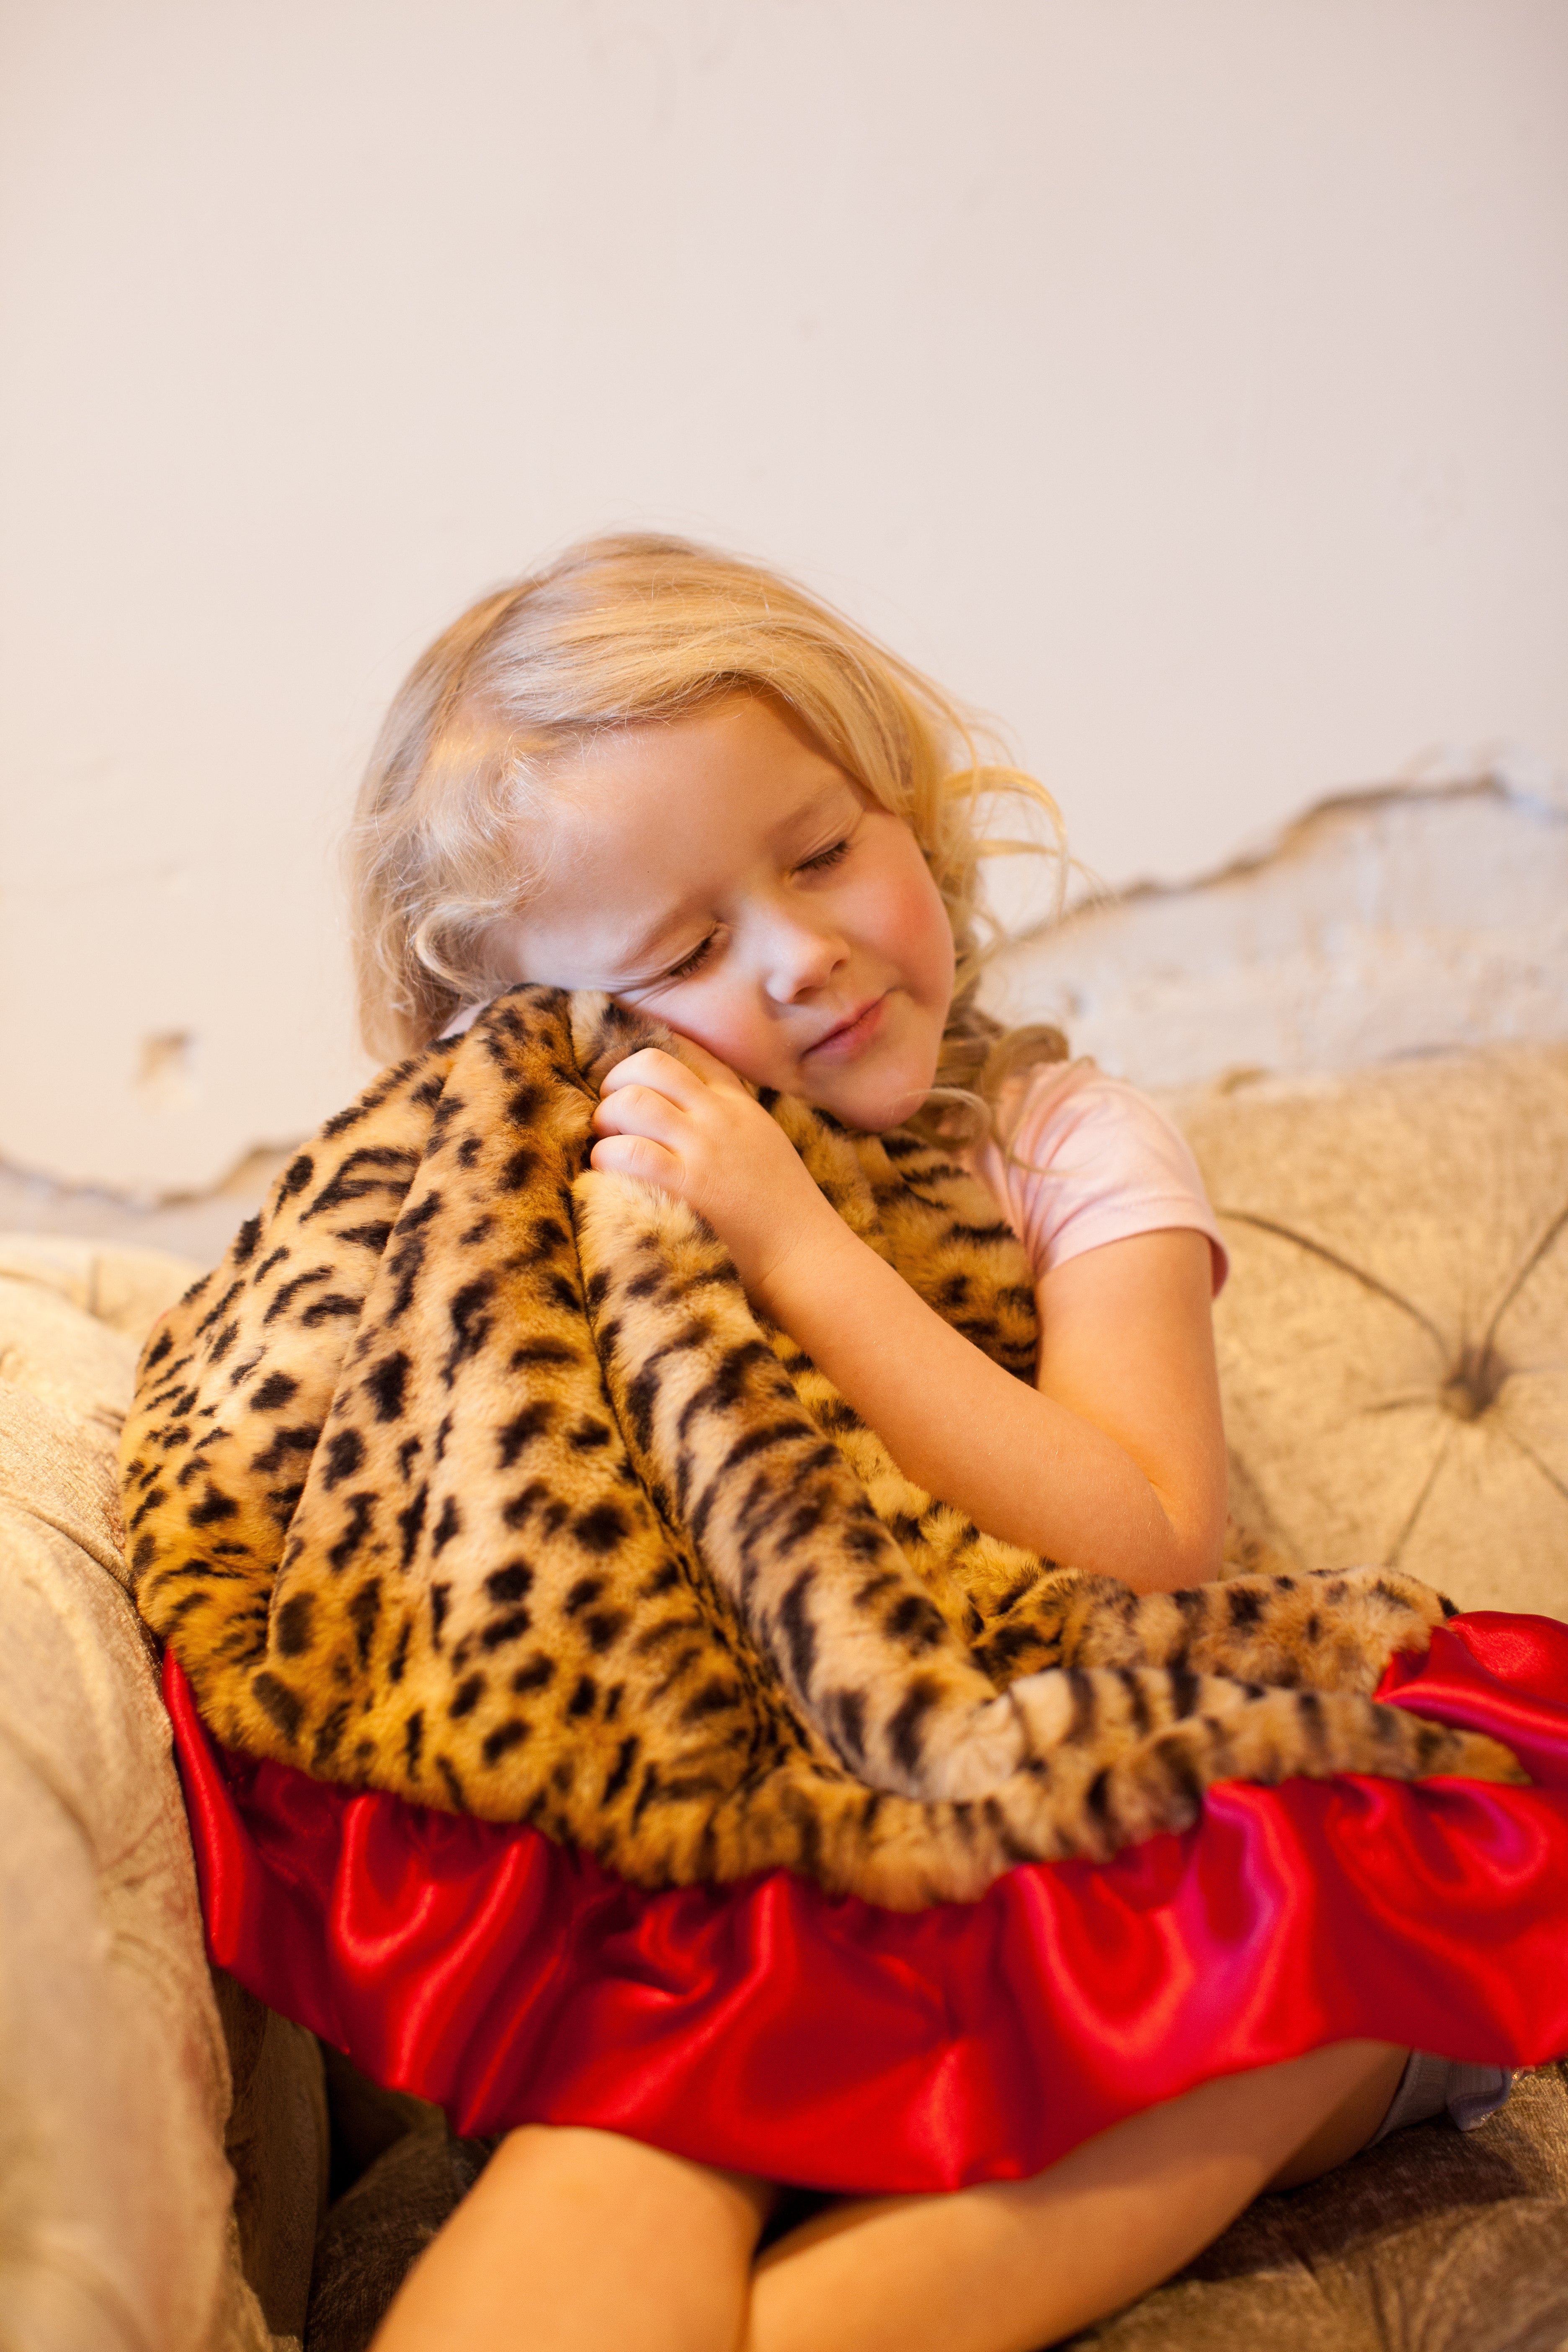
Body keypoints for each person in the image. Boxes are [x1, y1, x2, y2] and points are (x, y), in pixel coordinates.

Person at [343, 534, 1499, 2352]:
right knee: (637, 2118)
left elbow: (1145, 1539)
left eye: (822, 852)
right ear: (546, 1029)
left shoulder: (1059, 1142)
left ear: (908, 802)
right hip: (779, 1870)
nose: (803, 953)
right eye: (687, 948)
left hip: (1122, 1830)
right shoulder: (552, 1241)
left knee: (1347, 1965)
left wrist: (794, 1242)